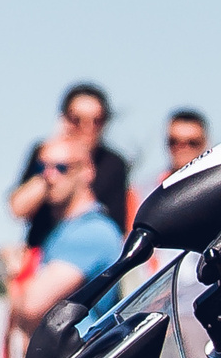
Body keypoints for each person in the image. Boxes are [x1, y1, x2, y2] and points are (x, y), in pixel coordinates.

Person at [9, 136, 124, 331]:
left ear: (87, 171)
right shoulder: (61, 230)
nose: (49, 177)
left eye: (62, 168)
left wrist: (13, 279)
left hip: (84, 357)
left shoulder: (92, 232)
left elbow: (31, 307)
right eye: (42, 168)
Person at [9, 84, 130, 246]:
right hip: (41, 252)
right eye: (77, 120)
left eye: (96, 121)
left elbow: (116, 229)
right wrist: (56, 161)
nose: (87, 128)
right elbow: (18, 209)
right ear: (64, 119)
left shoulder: (113, 164)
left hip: (84, 254)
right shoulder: (43, 154)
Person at [162, 108, 210, 182]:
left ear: (205, 143)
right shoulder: (150, 189)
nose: (183, 149)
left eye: (192, 143)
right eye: (174, 142)